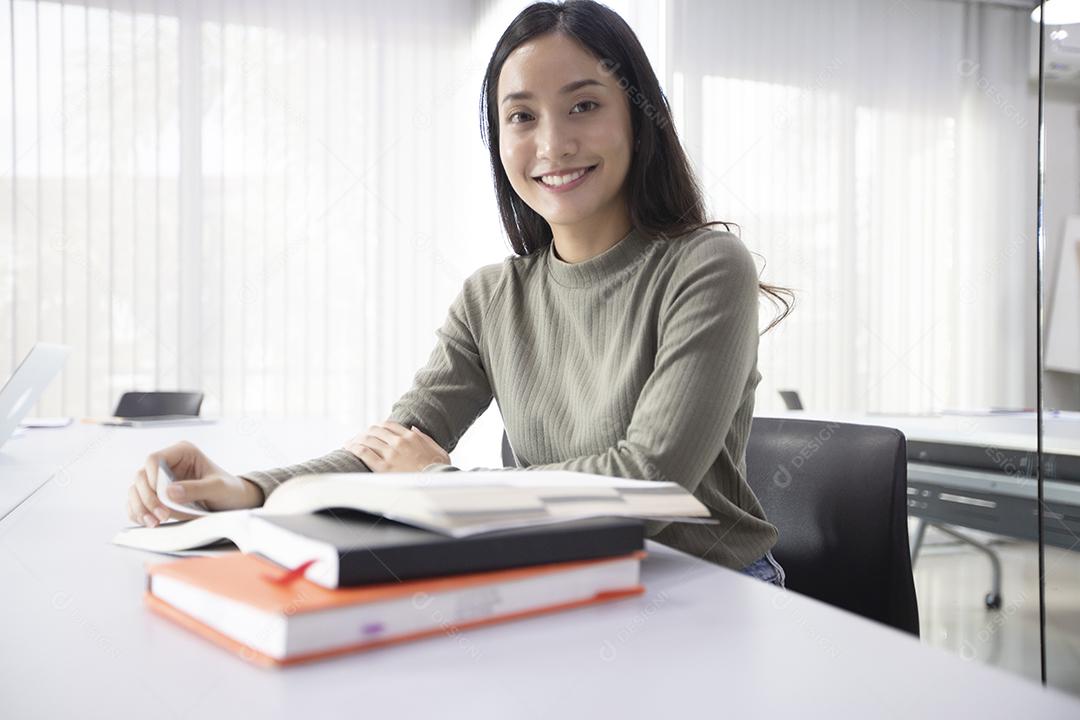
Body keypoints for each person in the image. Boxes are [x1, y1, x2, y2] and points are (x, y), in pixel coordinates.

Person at [124, 0, 793, 587]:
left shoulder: (706, 266)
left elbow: (649, 481)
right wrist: (245, 489)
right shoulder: (492, 297)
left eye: (584, 106)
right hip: (569, 578)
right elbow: (389, 448)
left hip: (711, 584)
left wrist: (447, 488)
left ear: (639, 121)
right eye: (522, 117)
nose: (553, 144)